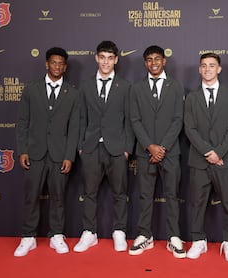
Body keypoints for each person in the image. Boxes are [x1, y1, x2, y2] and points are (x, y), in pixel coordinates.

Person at [14, 47, 80, 256]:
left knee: (59, 197)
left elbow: (74, 128)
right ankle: (28, 237)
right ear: (46, 64)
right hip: (34, 153)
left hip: (60, 155)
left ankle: (57, 235)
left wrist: (69, 155)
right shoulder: (31, 90)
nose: (57, 66)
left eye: (61, 63)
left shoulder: (73, 93)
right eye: (53, 62)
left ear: (65, 67)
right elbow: (22, 123)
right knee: (31, 196)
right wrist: (22, 150)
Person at [74, 41, 134, 253]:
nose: (106, 62)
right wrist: (81, 146)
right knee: (90, 192)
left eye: (110, 58)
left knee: (120, 193)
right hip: (91, 148)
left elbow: (129, 120)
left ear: (116, 59)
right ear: (96, 58)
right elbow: (81, 118)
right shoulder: (85, 86)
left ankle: (119, 231)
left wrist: (127, 148)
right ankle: (89, 233)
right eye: (103, 57)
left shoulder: (126, 86)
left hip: (117, 149)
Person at [129, 45, 186, 258]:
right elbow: (135, 119)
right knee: (145, 195)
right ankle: (145, 235)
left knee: (172, 195)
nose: (154, 63)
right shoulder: (136, 89)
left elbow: (178, 119)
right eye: (150, 59)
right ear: (145, 63)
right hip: (145, 152)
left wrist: (162, 147)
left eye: (157, 59)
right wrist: (150, 146)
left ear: (164, 61)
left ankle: (173, 236)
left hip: (169, 152)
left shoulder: (177, 86)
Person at [184, 53, 228, 261]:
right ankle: (198, 241)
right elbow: (189, 128)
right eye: (204, 66)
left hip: (225, 159)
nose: (208, 69)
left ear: (219, 69)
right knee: (197, 203)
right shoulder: (191, 97)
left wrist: (219, 152)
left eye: (212, 65)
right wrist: (209, 152)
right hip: (199, 160)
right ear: (199, 70)